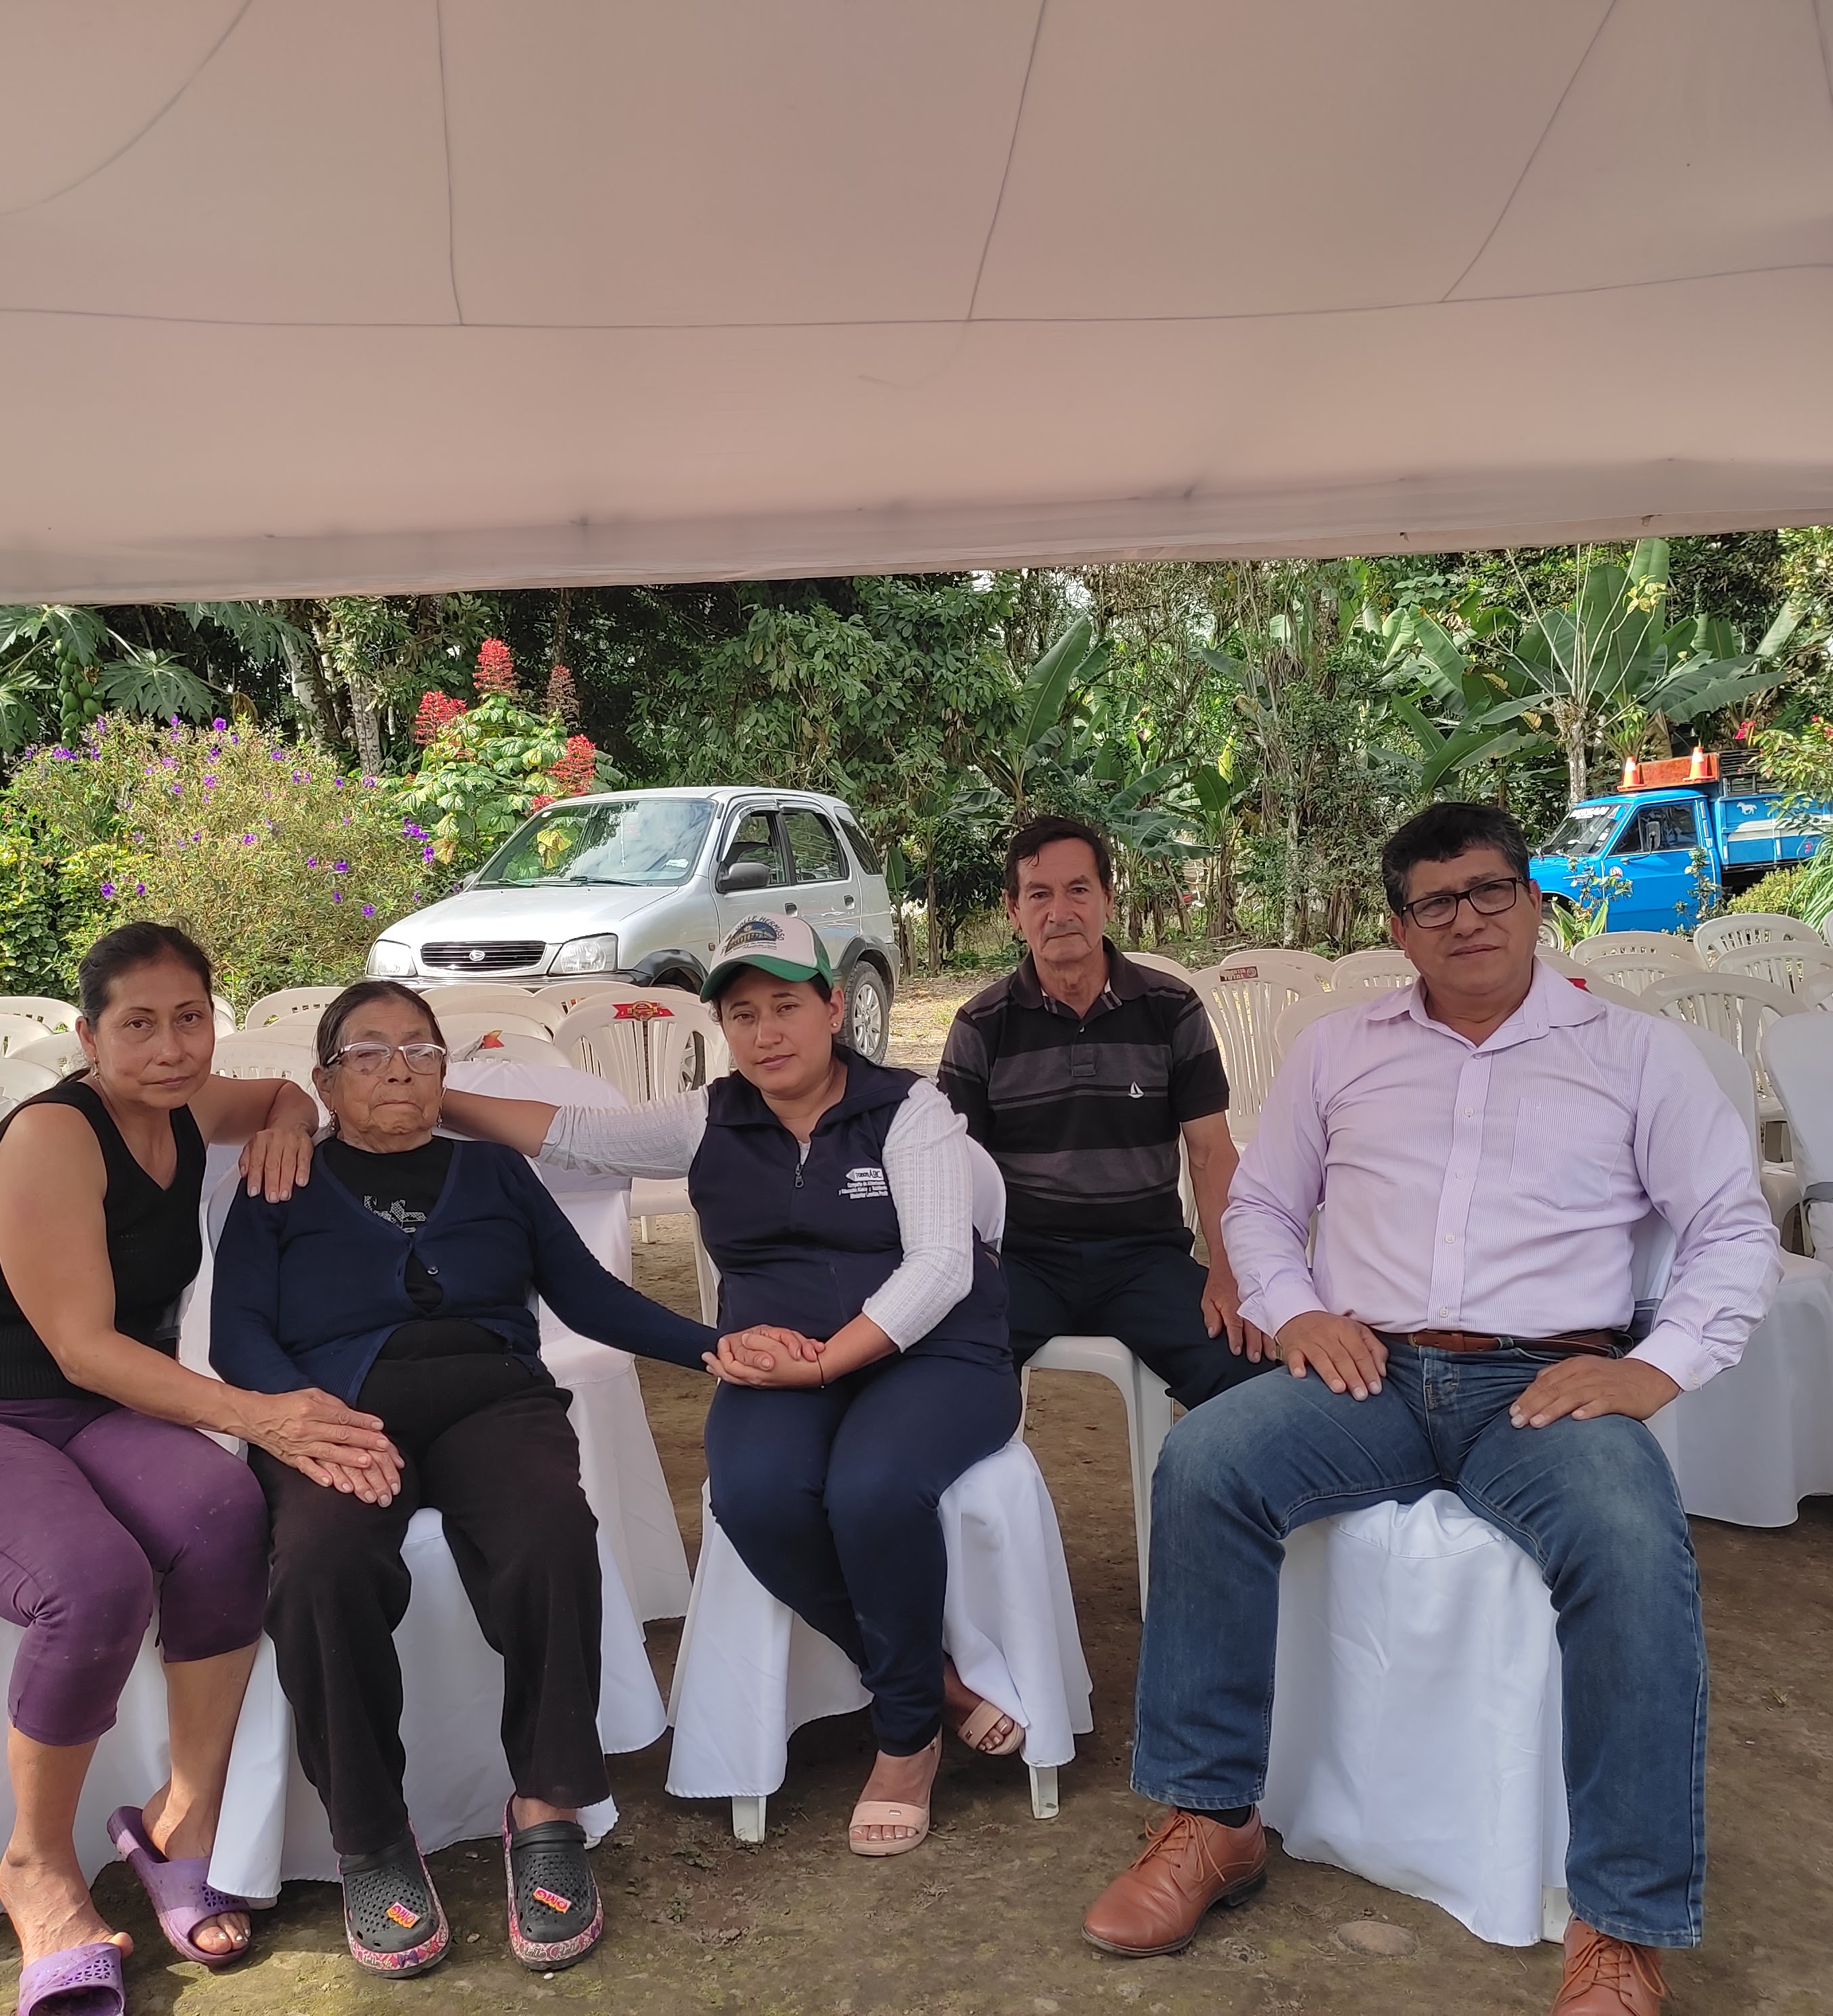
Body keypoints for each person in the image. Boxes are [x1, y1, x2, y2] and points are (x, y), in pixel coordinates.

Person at [1079, 803, 1778, 2016]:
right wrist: (1297, 1311)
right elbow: (1259, 1208)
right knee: (1207, 1465)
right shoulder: (1338, 1051)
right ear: (1400, 929)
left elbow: (1730, 1228)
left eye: (1491, 890)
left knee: (1630, 1541)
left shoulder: (1634, 1054)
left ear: (1535, 902)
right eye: (1436, 902)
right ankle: (1212, 1819)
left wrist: (1658, 1368)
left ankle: (1622, 1922)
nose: (1468, 919)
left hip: (1546, 1385)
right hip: (1372, 1372)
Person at [0, 923, 399, 2016]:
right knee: (93, 1579)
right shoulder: (55, 1134)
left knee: (221, 1510)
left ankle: (179, 1821)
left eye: (190, 1018)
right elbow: (82, 1347)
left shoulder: (186, 1106)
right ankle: (36, 1866)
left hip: (95, 1412)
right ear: (88, 1038)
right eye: (138, 1024)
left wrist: (287, 1123)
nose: (170, 1046)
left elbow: (278, 1096)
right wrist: (264, 1417)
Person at [208, 979, 768, 1976]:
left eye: (420, 1050)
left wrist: (712, 1347)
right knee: (322, 1567)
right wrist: (298, 1419)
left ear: (444, 1073)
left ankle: (547, 1805)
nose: (398, 1069)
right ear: (326, 1081)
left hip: (491, 1402)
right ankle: (371, 1836)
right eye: (369, 1052)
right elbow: (237, 1330)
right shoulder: (281, 1179)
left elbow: (587, 1293)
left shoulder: (496, 1173)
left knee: (552, 1533)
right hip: (338, 1416)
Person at [443, 913, 1025, 1859]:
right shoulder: (710, 1117)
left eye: (786, 1006)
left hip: (934, 1355)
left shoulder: (906, 1109)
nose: (766, 1033)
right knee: (755, 1497)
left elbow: (939, 1269)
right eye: (743, 1014)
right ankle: (938, 1686)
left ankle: (905, 1735)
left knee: (873, 1489)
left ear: (833, 1008)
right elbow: (572, 1135)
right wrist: (429, 1093)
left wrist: (827, 1361)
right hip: (780, 1360)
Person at [938, 815, 1274, 1407]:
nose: (1060, 912)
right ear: (1014, 911)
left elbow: (1211, 1152)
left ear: (1107, 900)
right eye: (1039, 895)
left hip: (1145, 1258)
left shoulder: (1172, 1008)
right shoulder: (981, 1025)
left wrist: (1229, 1270)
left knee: (1253, 1374)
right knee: (942, 1379)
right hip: (1023, 1260)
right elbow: (955, 1173)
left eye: (1078, 890)